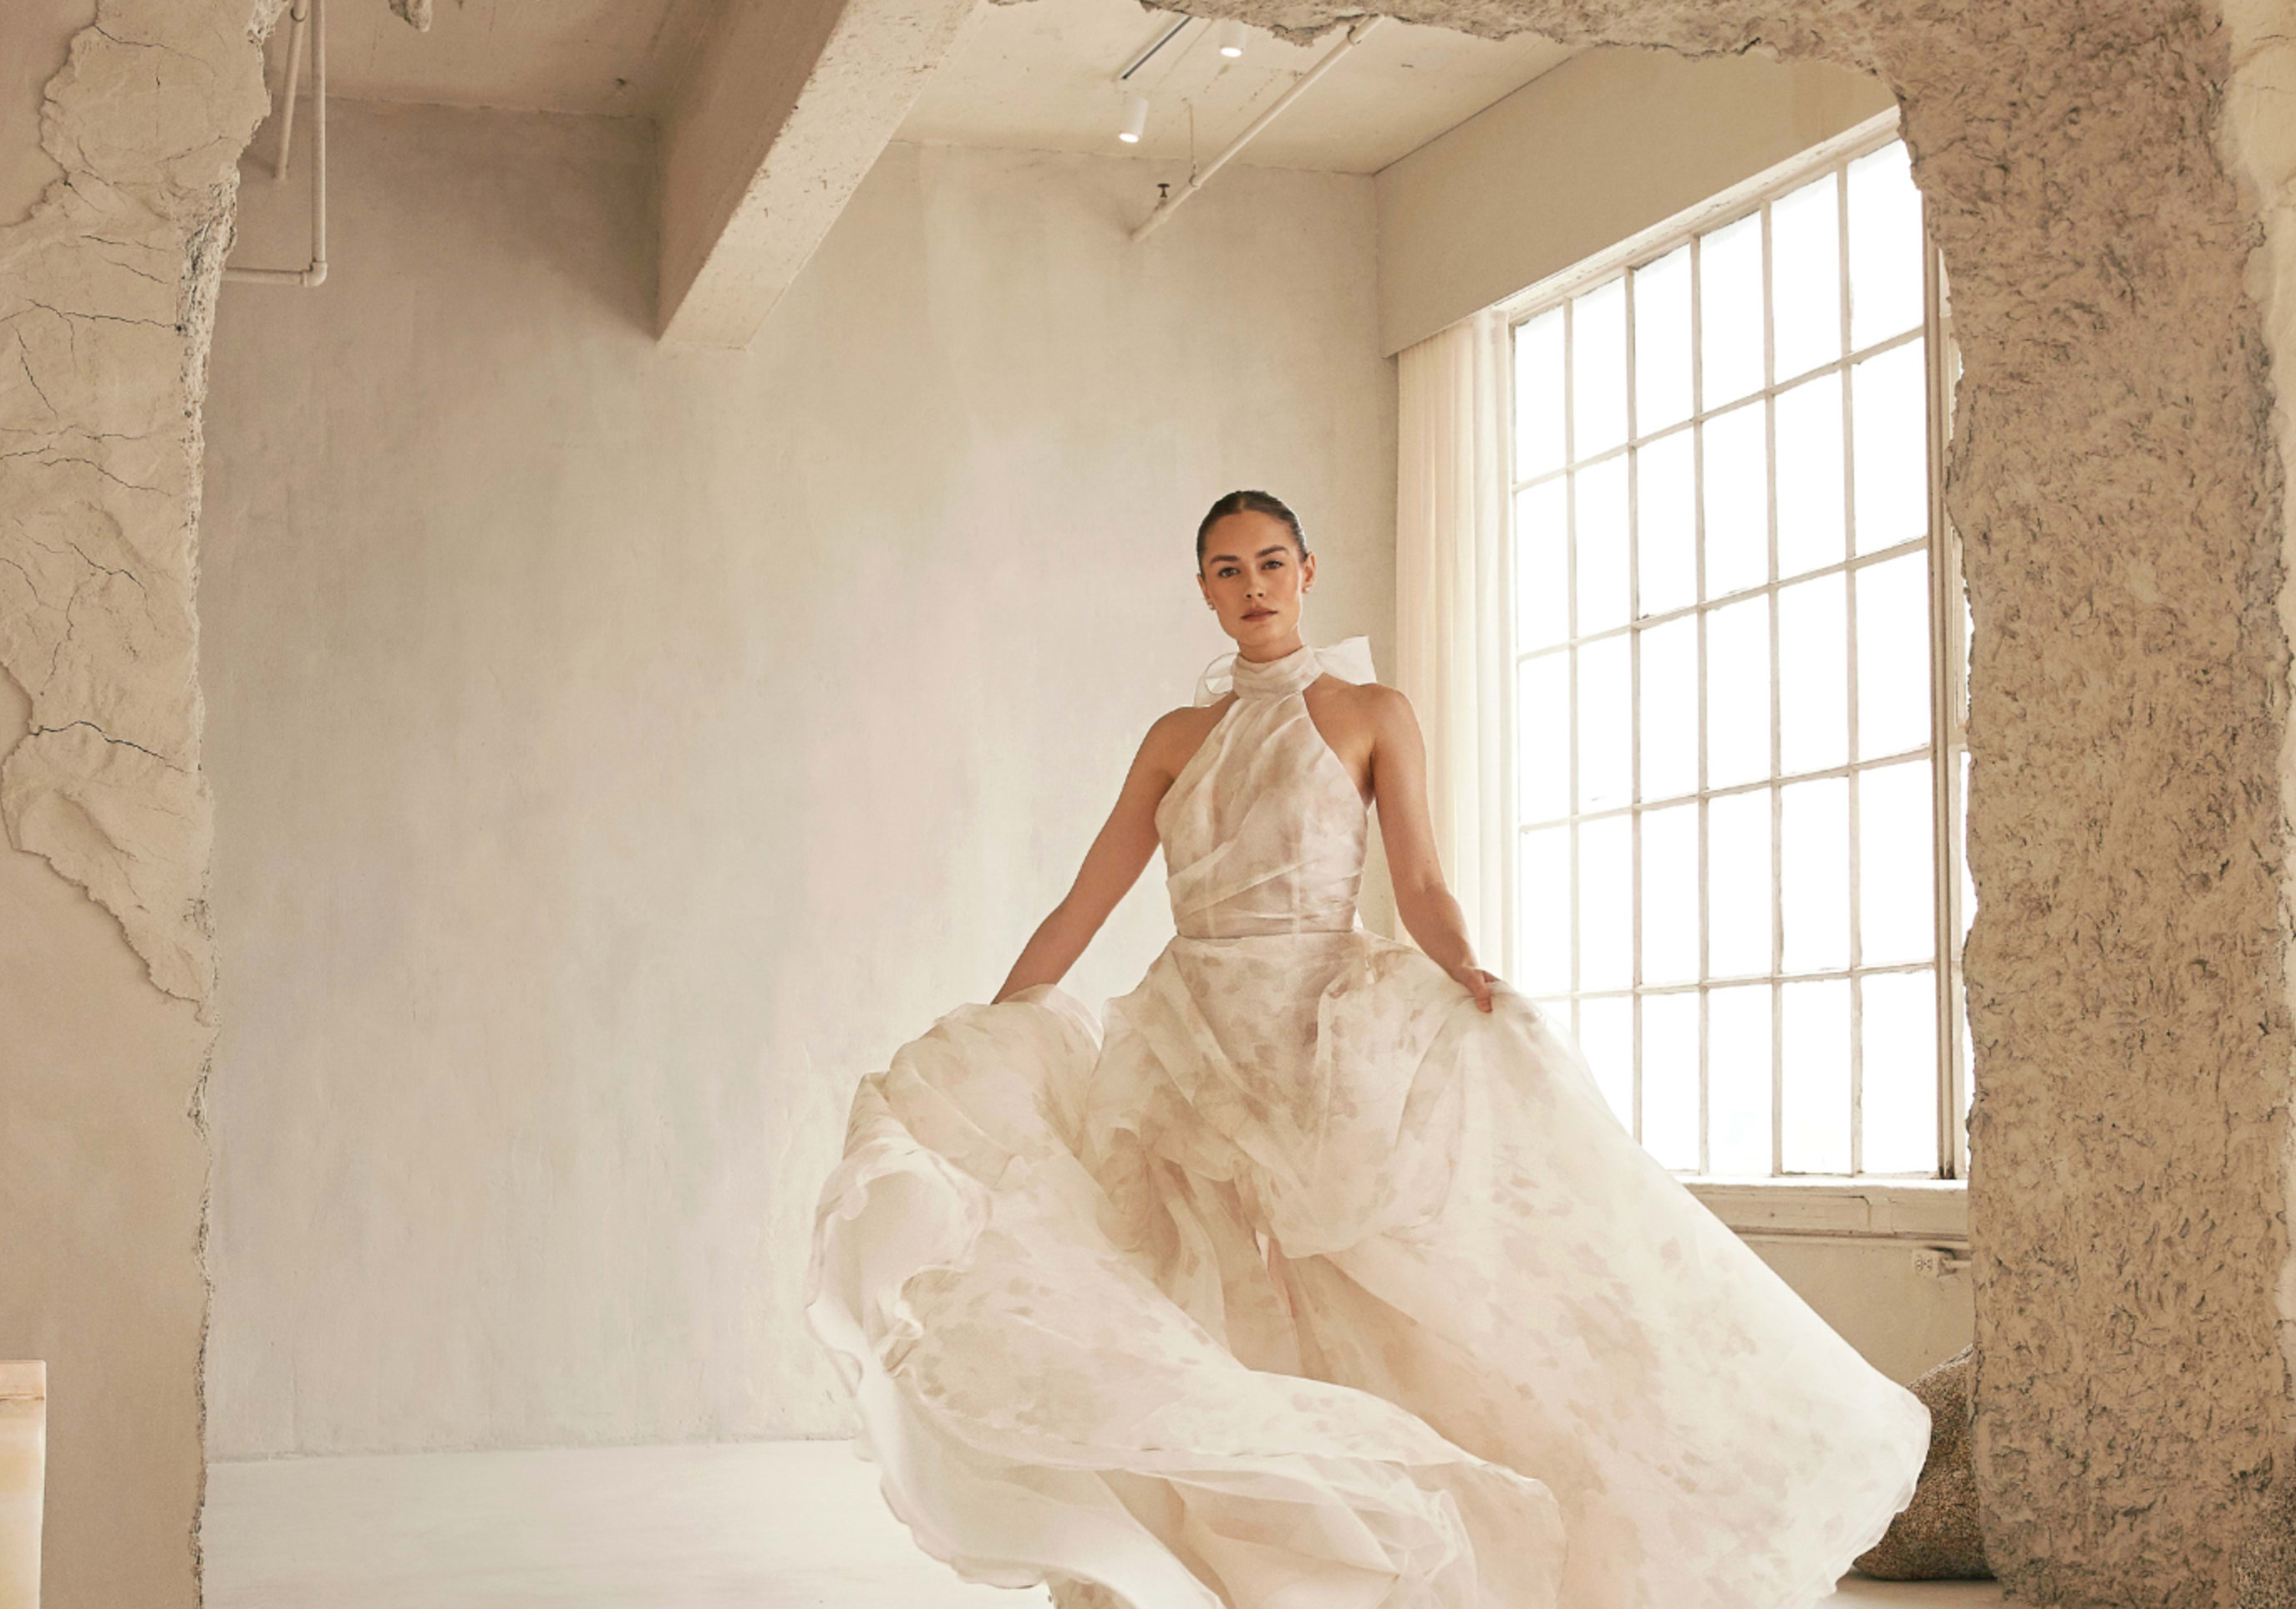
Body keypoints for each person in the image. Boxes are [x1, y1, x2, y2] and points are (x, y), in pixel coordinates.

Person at [808, 490, 1930, 1609]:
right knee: (1203, 1291)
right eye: (1226, 570)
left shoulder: (1372, 712)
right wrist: (999, 1024)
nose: (1251, 587)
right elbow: (1085, 903)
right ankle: (1237, 1559)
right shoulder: (1173, 742)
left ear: (1308, 572)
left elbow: (1422, 881)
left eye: (1270, 562)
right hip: (1188, 1041)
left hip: (1320, 1031)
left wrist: (1464, 968)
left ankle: (1394, 1549)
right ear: (1202, 591)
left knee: (1366, 1294)